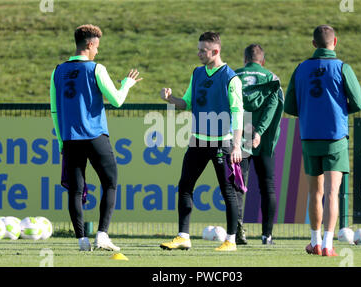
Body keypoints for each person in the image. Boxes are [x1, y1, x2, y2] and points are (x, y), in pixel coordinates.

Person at [50, 24, 142, 251]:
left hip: (70, 139)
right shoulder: (96, 68)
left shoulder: (57, 71)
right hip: (95, 136)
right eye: (97, 47)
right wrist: (127, 84)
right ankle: (102, 234)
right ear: (90, 44)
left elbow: (54, 110)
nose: (97, 52)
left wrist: (62, 141)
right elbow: (117, 100)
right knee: (110, 183)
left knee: (75, 190)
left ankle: (81, 240)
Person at [159, 31, 244, 252]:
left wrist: (236, 145)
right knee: (185, 186)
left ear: (215, 51)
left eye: (202, 50)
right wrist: (169, 99)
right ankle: (183, 236)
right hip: (198, 142)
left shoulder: (230, 78)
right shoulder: (197, 73)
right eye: (198, 49)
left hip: (221, 144)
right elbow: (186, 103)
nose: (198, 54)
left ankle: (231, 241)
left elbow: (238, 114)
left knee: (228, 192)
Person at [284, 25, 361, 256]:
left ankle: (314, 242)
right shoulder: (341, 67)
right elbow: (358, 102)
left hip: (309, 136)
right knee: (332, 193)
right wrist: (337, 111)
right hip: (335, 137)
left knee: (314, 193)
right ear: (335, 42)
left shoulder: (300, 68)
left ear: (313, 44)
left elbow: (289, 105)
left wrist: (311, 112)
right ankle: (328, 245)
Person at [234, 44, 283, 245]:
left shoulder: (234, 76)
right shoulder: (271, 78)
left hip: (239, 138)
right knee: (267, 186)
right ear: (262, 61)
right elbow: (274, 105)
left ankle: (236, 232)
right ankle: (267, 235)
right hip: (263, 141)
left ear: (245, 59)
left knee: (237, 186)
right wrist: (260, 131)